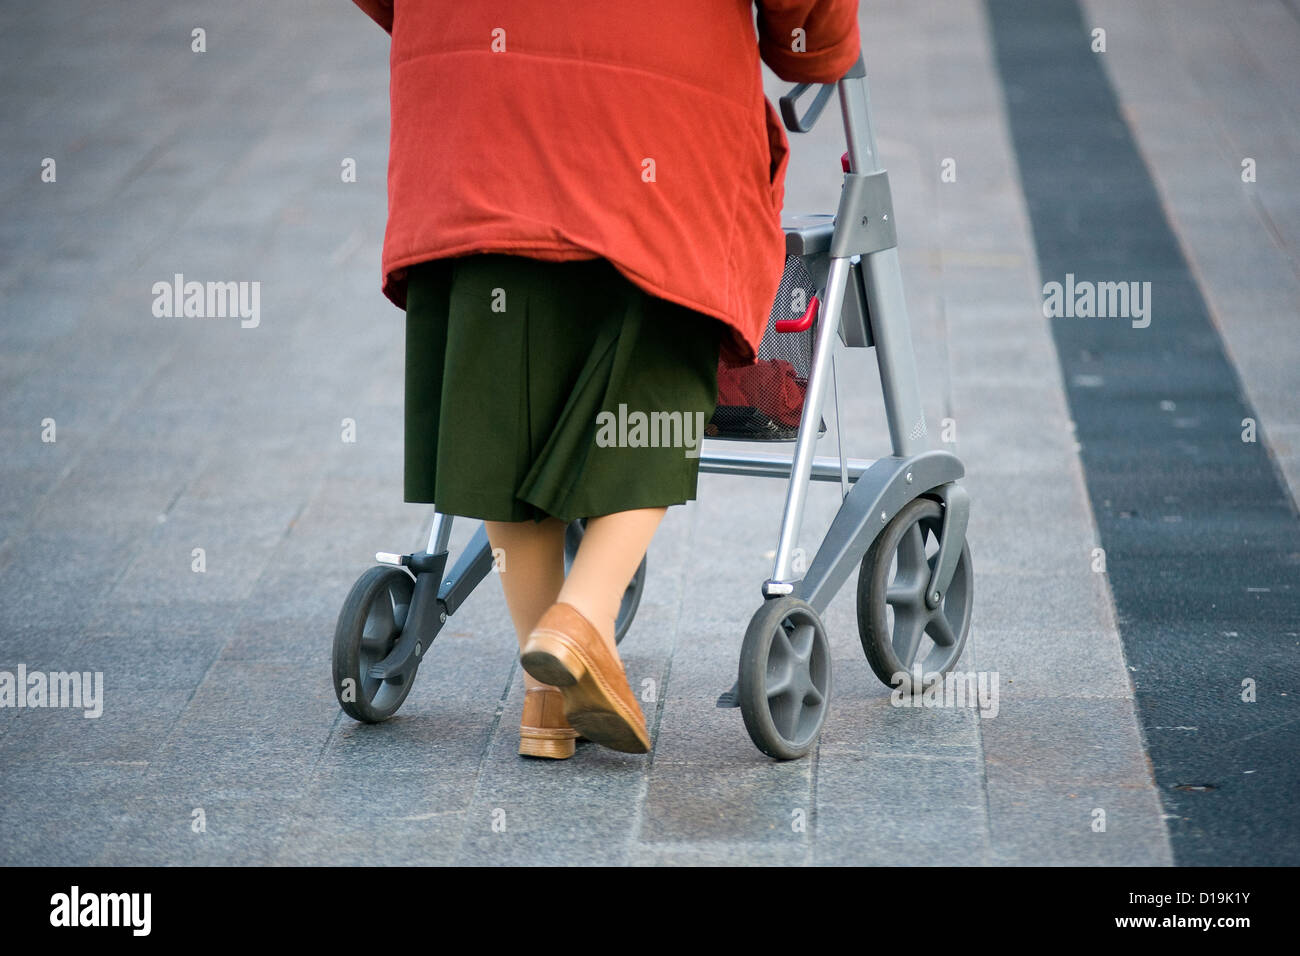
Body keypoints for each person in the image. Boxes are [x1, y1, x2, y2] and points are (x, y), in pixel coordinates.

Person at [351, 1, 860, 758]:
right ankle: (581, 613)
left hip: (466, 94)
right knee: (659, 350)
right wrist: (818, 43)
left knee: (497, 392)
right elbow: (800, 22)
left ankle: (546, 701)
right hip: (651, 98)